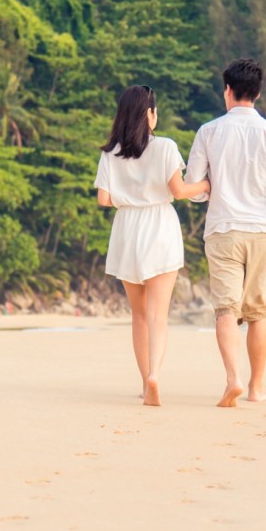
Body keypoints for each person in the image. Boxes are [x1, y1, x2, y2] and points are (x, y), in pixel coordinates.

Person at [186, 57, 266, 408]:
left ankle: (233, 379)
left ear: (227, 90)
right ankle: (257, 388)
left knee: (226, 310)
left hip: (223, 231)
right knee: (258, 313)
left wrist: (212, 186)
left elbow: (194, 189)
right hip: (262, 233)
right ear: (257, 94)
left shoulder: (208, 132)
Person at [95, 85, 210, 407]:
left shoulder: (110, 152)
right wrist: (206, 184)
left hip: (126, 229)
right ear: (151, 114)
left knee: (140, 315)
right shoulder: (165, 147)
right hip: (159, 226)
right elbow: (179, 191)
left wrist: (129, 198)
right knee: (159, 315)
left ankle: (145, 383)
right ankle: (155, 375)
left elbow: (103, 199)